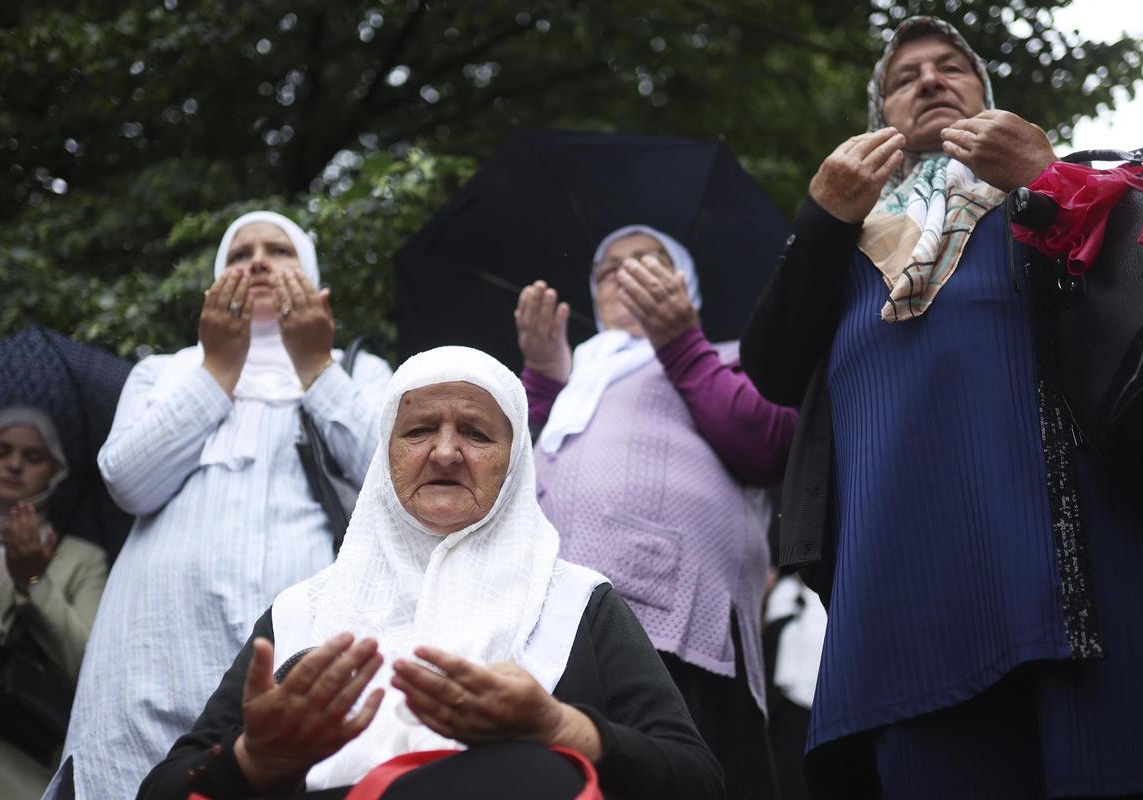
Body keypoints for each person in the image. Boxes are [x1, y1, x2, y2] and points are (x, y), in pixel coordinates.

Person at [739, 16, 1143, 797]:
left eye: (952, 67)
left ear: (989, 102)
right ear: (880, 117)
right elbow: (772, 369)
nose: (929, 80)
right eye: (904, 76)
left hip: (1065, 575)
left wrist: (1044, 175)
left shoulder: (1054, 191)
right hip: (901, 590)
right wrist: (821, 220)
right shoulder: (841, 247)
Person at [137, 345, 724, 799]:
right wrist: (253, 762)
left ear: (515, 461)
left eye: (475, 432)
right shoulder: (302, 615)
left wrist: (563, 728)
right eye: (418, 430)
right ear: (385, 454)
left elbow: (700, 781)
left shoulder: (575, 602)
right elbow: (162, 789)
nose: (445, 453)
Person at [54, 211, 392, 799]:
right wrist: (217, 369)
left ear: (313, 280)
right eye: (239, 255)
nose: (257, 262)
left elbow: (391, 485)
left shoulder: (361, 373)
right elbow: (128, 483)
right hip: (150, 657)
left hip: (293, 650)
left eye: (278, 250)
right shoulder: (164, 372)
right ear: (215, 281)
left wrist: (315, 367)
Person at [514, 225, 797, 799]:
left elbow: (767, 446)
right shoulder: (576, 376)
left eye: (648, 259)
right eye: (607, 267)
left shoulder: (728, 357)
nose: (624, 271)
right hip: (546, 621)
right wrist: (543, 379)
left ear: (685, 285)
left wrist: (679, 343)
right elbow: (512, 467)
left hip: (675, 625)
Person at [0, 407, 107, 799]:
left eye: (34, 458)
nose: (14, 465)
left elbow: (88, 664)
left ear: (56, 472)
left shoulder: (81, 558)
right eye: (1, 451)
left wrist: (33, 582)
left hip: (11, 766)